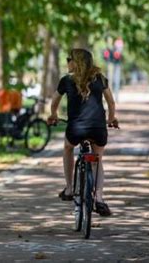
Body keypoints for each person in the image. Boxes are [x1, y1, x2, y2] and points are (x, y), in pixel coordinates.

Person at [47, 49, 118, 216]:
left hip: (75, 129)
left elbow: (54, 102)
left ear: (75, 62)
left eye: (68, 59)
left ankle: (70, 188)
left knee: (67, 148)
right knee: (97, 160)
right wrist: (111, 119)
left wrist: (53, 115)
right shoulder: (100, 79)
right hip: (98, 128)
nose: (67, 62)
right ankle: (99, 198)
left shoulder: (66, 81)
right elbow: (111, 103)